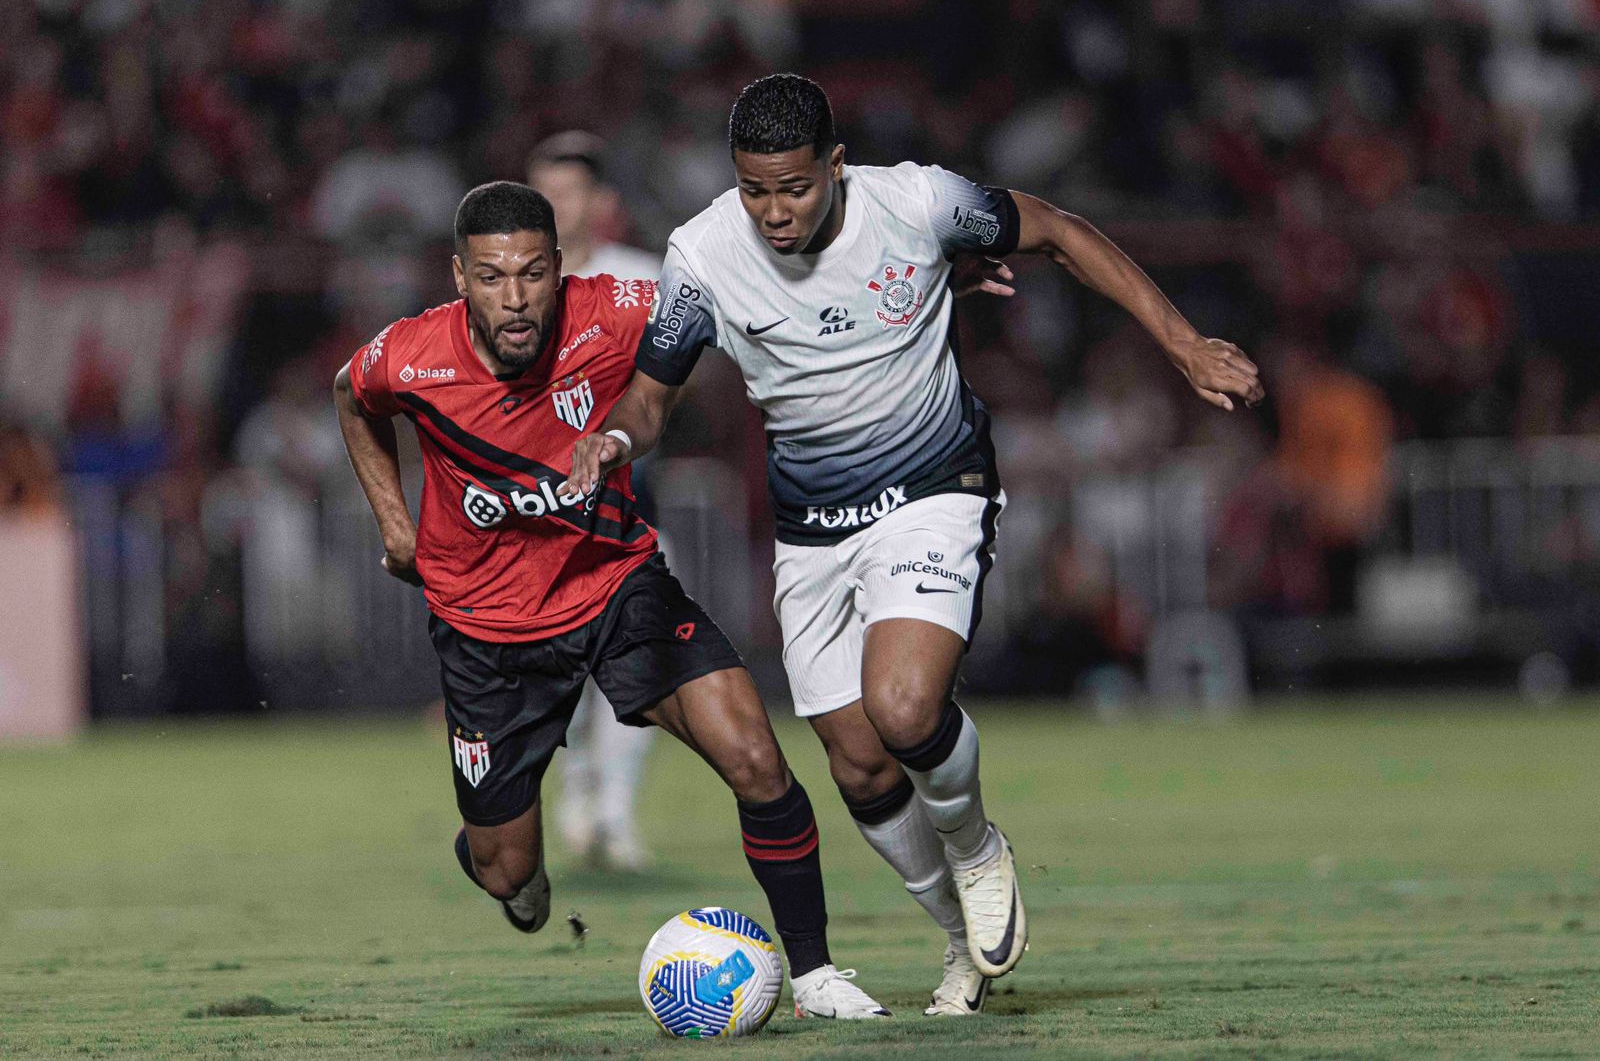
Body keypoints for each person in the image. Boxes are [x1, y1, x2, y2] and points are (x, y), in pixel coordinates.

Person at [564, 74, 1265, 1016]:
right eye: (754, 189)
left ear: (837, 167)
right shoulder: (702, 254)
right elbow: (652, 396)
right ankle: (956, 940)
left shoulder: (918, 203)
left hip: (933, 489)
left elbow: (1056, 228)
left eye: (794, 187)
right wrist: (610, 438)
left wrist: (1182, 344)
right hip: (811, 527)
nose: (773, 211)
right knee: (856, 761)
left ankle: (977, 849)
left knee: (902, 707)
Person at [333, 181, 888, 1019]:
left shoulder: (619, 308)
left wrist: (900, 288)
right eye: (491, 277)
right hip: (487, 635)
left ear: (560, 269)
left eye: (531, 274)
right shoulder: (411, 355)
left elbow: (738, 296)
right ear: (459, 278)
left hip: (615, 590)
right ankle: (501, 855)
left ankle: (813, 975)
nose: (514, 299)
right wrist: (397, 526)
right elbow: (350, 392)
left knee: (756, 758)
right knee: (508, 872)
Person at [527, 132, 659, 870]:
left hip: (627, 499)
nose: (553, 206)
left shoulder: (642, 280)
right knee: (560, 673)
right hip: (532, 511)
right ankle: (579, 786)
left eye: (568, 191)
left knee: (637, 664)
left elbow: (682, 378)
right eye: (541, 189)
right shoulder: (507, 284)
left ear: (601, 204)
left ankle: (614, 813)